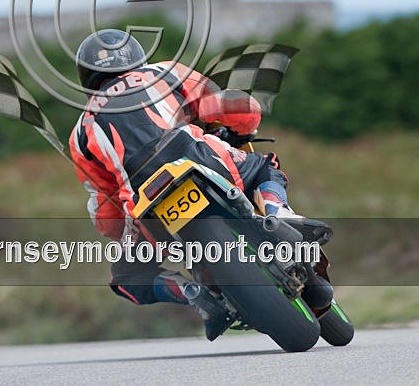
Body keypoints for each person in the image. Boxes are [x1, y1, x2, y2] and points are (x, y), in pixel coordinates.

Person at [69, 29, 300, 340]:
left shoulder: (81, 133)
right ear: (135, 56)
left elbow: (105, 207)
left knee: (126, 277)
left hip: (142, 203)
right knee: (264, 167)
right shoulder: (163, 72)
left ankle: (192, 294)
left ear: (86, 74)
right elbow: (221, 105)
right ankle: (278, 214)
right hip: (198, 157)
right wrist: (245, 127)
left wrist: (121, 233)